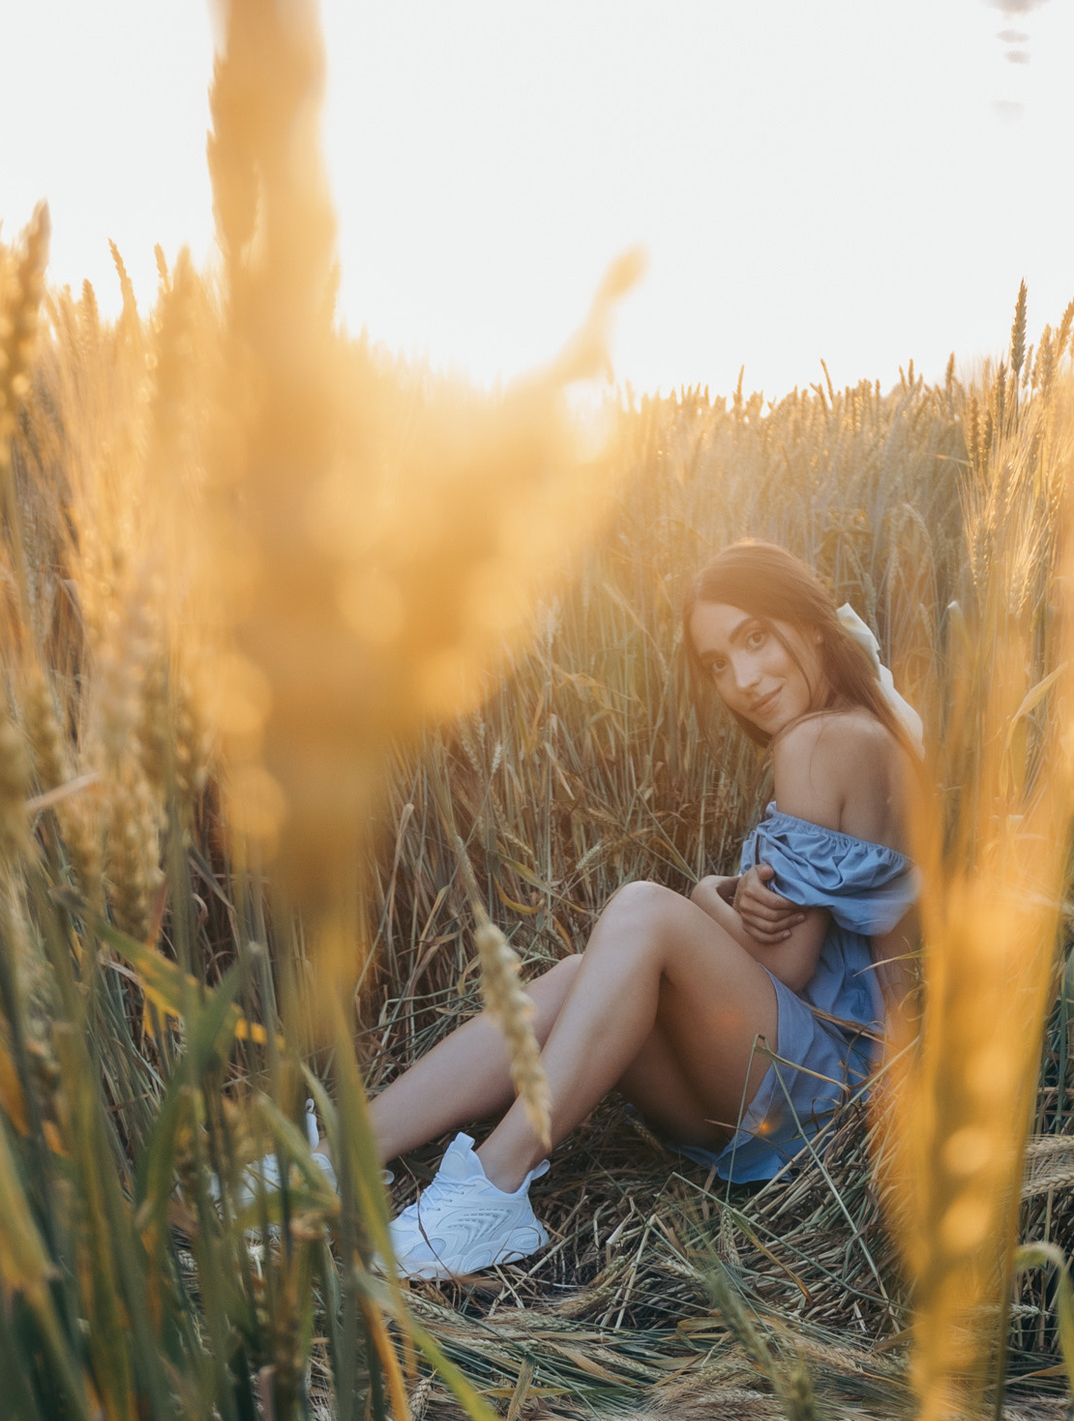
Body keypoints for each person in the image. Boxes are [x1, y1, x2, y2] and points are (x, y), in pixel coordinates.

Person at [359, 540, 922, 1278]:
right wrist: (728, 901)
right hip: (777, 1095)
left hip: (822, 1099)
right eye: (718, 663)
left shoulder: (816, 741)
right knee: (575, 974)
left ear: (811, 623)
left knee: (644, 911)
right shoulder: (865, 728)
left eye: (756, 638)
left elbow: (787, 960)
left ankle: (491, 1186)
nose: (744, 680)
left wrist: (699, 899)